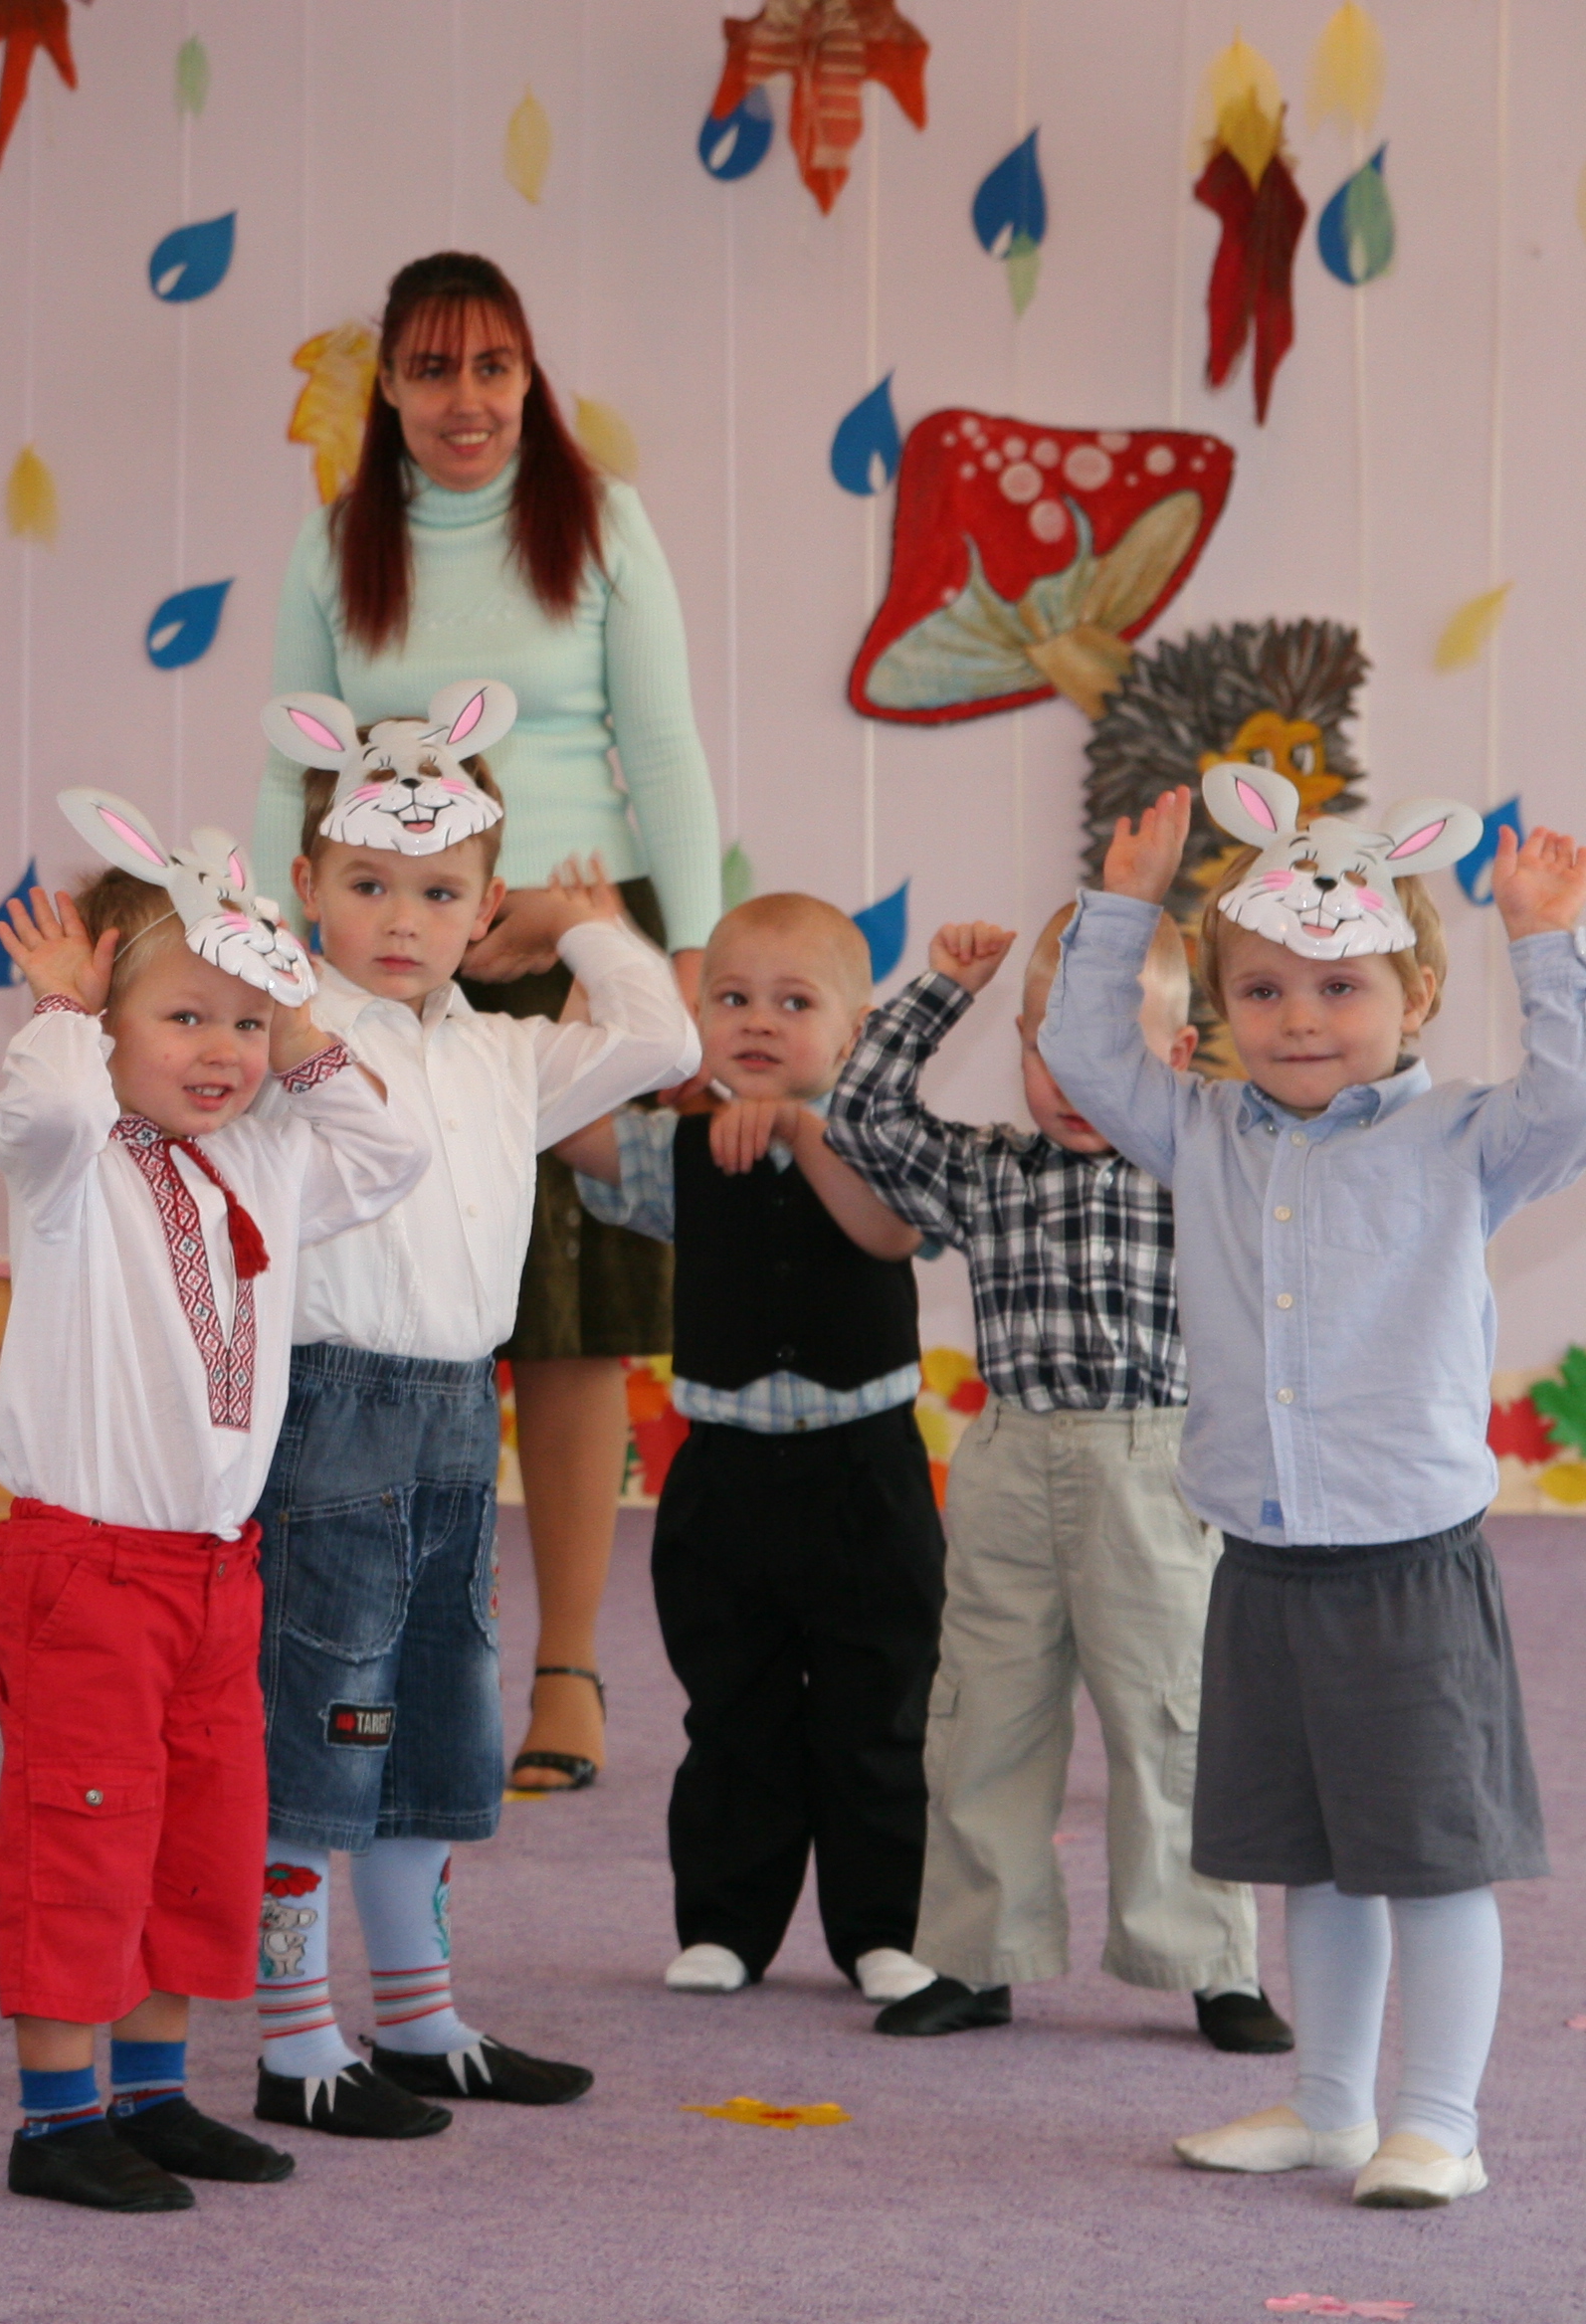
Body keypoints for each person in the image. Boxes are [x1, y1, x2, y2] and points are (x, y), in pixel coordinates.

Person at [1050, 782, 1586, 2211]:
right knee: (1317, 1860)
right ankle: (1334, 2107)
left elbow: (1577, 1095)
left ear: (1417, 997)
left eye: (1341, 986)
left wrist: (1544, 941)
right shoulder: (1202, 1132)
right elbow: (1085, 1057)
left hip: (1407, 1572)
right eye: (1263, 988)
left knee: (1431, 1860)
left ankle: (1440, 2123)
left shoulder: (1466, 1138)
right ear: (1221, 1004)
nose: (1298, 1018)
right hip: (1264, 1564)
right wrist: (1124, 907)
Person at [258, 251, 726, 1797]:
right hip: (387, 949)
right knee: (376, 1306)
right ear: (388, 387)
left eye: (494, 367)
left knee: (571, 1328)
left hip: (571, 941)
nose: (467, 400)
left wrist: (679, 956)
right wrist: (276, 959)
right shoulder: (339, 542)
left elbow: (662, 742)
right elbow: (292, 771)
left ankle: (567, 1667)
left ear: (530, 377)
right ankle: (372, 1638)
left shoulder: (601, 523)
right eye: (434, 369)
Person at [250, 694, 695, 2134]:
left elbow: (661, 1033)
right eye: (367, 881)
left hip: (457, 1415)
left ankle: (420, 2019)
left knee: (434, 1720)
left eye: (442, 891)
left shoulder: (512, 1058)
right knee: (325, 1721)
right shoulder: (284, 1038)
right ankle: (293, 2040)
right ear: (309, 884)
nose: (403, 916)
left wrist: (576, 921)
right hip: (327, 1409)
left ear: (484, 906)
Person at [0, 811, 430, 2214]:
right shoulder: (72, 1162)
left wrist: (296, 1021)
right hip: (87, 1570)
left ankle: (153, 2093)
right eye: (183, 1016)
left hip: (217, 1573)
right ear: (107, 1025)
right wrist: (61, 1007)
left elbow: (394, 1151)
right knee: (84, 1828)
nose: (222, 1049)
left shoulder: (269, 1157)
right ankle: (57, 2119)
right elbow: (53, 1108)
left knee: (196, 1831)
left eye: (243, 1020)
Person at [826, 910, 1290, 2053]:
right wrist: (944, 989)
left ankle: (1209, 1960)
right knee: (984, 1713)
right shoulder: (988, 1167)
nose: (1076, 1080)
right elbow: (861, 1114)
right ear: (1021, 1045)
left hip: (1156, 1463)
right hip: (1011, 1461)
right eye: (1050, 1048)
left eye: (1112, 1052)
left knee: (1170, 1715)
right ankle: (977, 1955)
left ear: (1177, 1056)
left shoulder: (1206, 1163)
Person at [558, 894, 941, 2011]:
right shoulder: (675, 1146)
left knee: (877, 1713)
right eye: (730, 999)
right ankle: (726, 1923)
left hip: (866, 1476)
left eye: (794, 1001)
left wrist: (794, 1128)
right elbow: (560, 1116)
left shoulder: (883, 1136)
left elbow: (895, 1225)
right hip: (724, 1478)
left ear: (856, 1032)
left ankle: (881, 1928)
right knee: (734, 1710)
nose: (759, 1020)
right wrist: (594, 963)